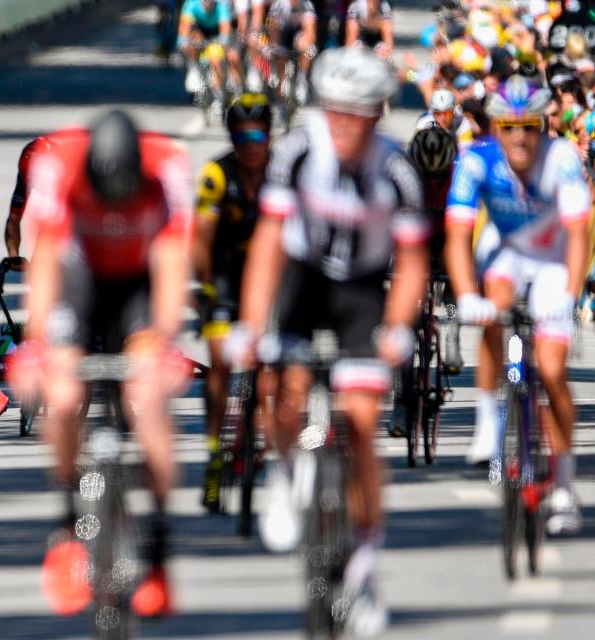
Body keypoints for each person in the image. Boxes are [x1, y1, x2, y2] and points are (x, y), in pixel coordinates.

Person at [231, 48, 428, 635]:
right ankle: (285, 475)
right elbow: (267, 241)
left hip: (362, 291)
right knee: (281, 386)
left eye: (358, 114)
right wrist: (249, 324)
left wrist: (397, 329)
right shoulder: (296, 152)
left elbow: (414, 261)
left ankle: (364, 571)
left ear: (378, 115)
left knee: (363, 423)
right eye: (334, 112)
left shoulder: (397, 169)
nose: (343, 125)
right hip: (302, 276)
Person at [10, 110, 192, 618]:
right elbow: (45, 258)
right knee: (64, 395)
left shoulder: (168, 168)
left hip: (138, 283)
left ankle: (157, 545)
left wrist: (166, 343)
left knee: (149, 399)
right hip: (80, 278)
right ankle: (69, 526)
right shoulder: (60, 165)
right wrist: (37, 343)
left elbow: (174, 263)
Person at [445, 75, 588, 536]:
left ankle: (564, 488)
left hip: (551, 258)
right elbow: (457, 236)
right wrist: (466, 296)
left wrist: (568, 297)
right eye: (509, 127)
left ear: (543, 125)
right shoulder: (475, 160)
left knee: (550, 369)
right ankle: (489, 423)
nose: (520, 137)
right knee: (494, 303)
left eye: (529, 126)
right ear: (496, 128)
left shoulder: (562, 159)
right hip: (504, 248)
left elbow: (579, 235)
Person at [191, 93, 272, 512]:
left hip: (269, 276)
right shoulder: (217, 175)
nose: (250, 145)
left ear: (270, 135)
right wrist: (202, 288)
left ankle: (258, 438)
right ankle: (214, 456)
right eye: (240, 137)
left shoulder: (283, 172)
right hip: (224, 276)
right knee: (221, 363)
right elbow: (200, 241)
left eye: (257, 135)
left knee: (273, 365)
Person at [390, 124, 460, 438]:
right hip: (413, 243)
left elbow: (466, 232)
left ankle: (453, 331)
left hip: (446, 241)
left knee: (457, 271)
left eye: (438, 175)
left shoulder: (459, 179)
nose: (432, 181)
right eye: (426, 175)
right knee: (403, 326)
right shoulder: (401, 178)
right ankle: (401, 402)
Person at [178, 0, 237, 115]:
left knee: (216, 60)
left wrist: (224, 41)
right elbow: (184, 28)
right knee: (190, 42)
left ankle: (218, 98)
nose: (208, 2)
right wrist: (183, 41)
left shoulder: (221, 7)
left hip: (215, 36)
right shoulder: (191, 5)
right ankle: (194, 69)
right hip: (199, 34)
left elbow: (225, 29)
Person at [4, 136, 51, 271]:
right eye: (30, 181)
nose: (35, 186)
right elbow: (14, 218)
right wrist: (13, 256)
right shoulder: (25, 174)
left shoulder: (65, 172)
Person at [265, 0, 318, 105]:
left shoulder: (306, 4)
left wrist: (304, 46)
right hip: (282, 36)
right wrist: (277, 50)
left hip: (298, 36)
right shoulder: (279, 4)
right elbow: (273, 30)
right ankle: (279, 91)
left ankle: (302, 81)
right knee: (275, 53)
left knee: (310, 50)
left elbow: (311, 32)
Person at [416, 88, 475, 153]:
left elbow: (466, 153)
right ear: (432, 113)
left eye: (447, 113)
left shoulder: (463, 123)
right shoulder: (424, 123)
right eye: (437, 113)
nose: (442, 118)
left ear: (454, 112)